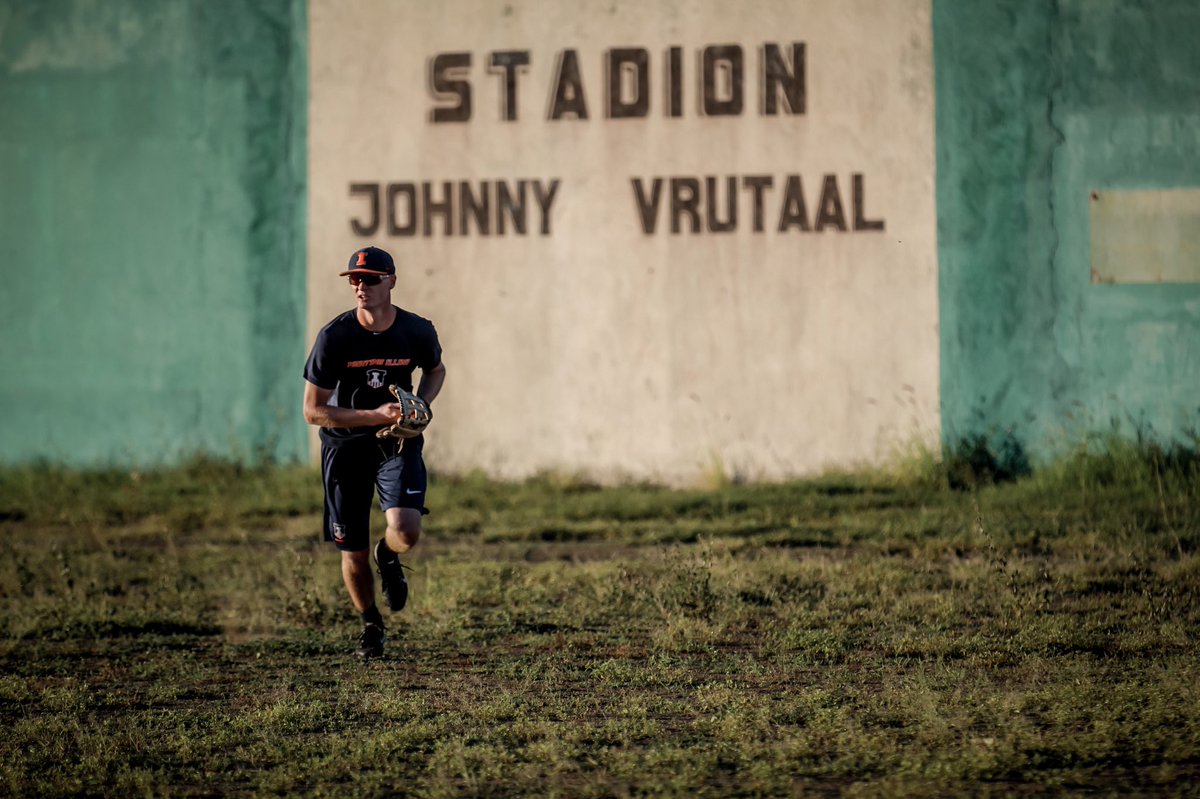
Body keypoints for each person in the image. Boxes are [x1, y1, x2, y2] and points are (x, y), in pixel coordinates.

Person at [302, 246, 446, 659]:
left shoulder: (416, 330)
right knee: (353, 550)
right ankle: (371, 624)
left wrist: (423, 403)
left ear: (391, 282)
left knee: (406, 531)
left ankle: (389, 555)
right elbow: (313, 411)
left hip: (395, 440)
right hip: (344, 447)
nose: (360, 286)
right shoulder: (335, 336)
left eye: (370, 279)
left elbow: (435, 369)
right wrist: (373, 415)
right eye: (355, 279)